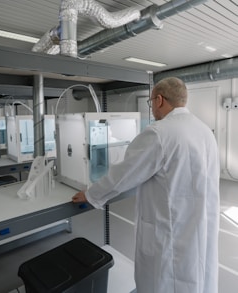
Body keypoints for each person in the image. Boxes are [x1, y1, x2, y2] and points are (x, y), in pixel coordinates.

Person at [72, 77, 220, 293]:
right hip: (199, 224)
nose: (152, 110)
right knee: (196, 274)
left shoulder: (159, 132)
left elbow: (124, 174)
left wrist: (92, 193)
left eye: (151, 103)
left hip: (170, 229)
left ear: (159, 100)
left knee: (166, 280)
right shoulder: (205, 131)